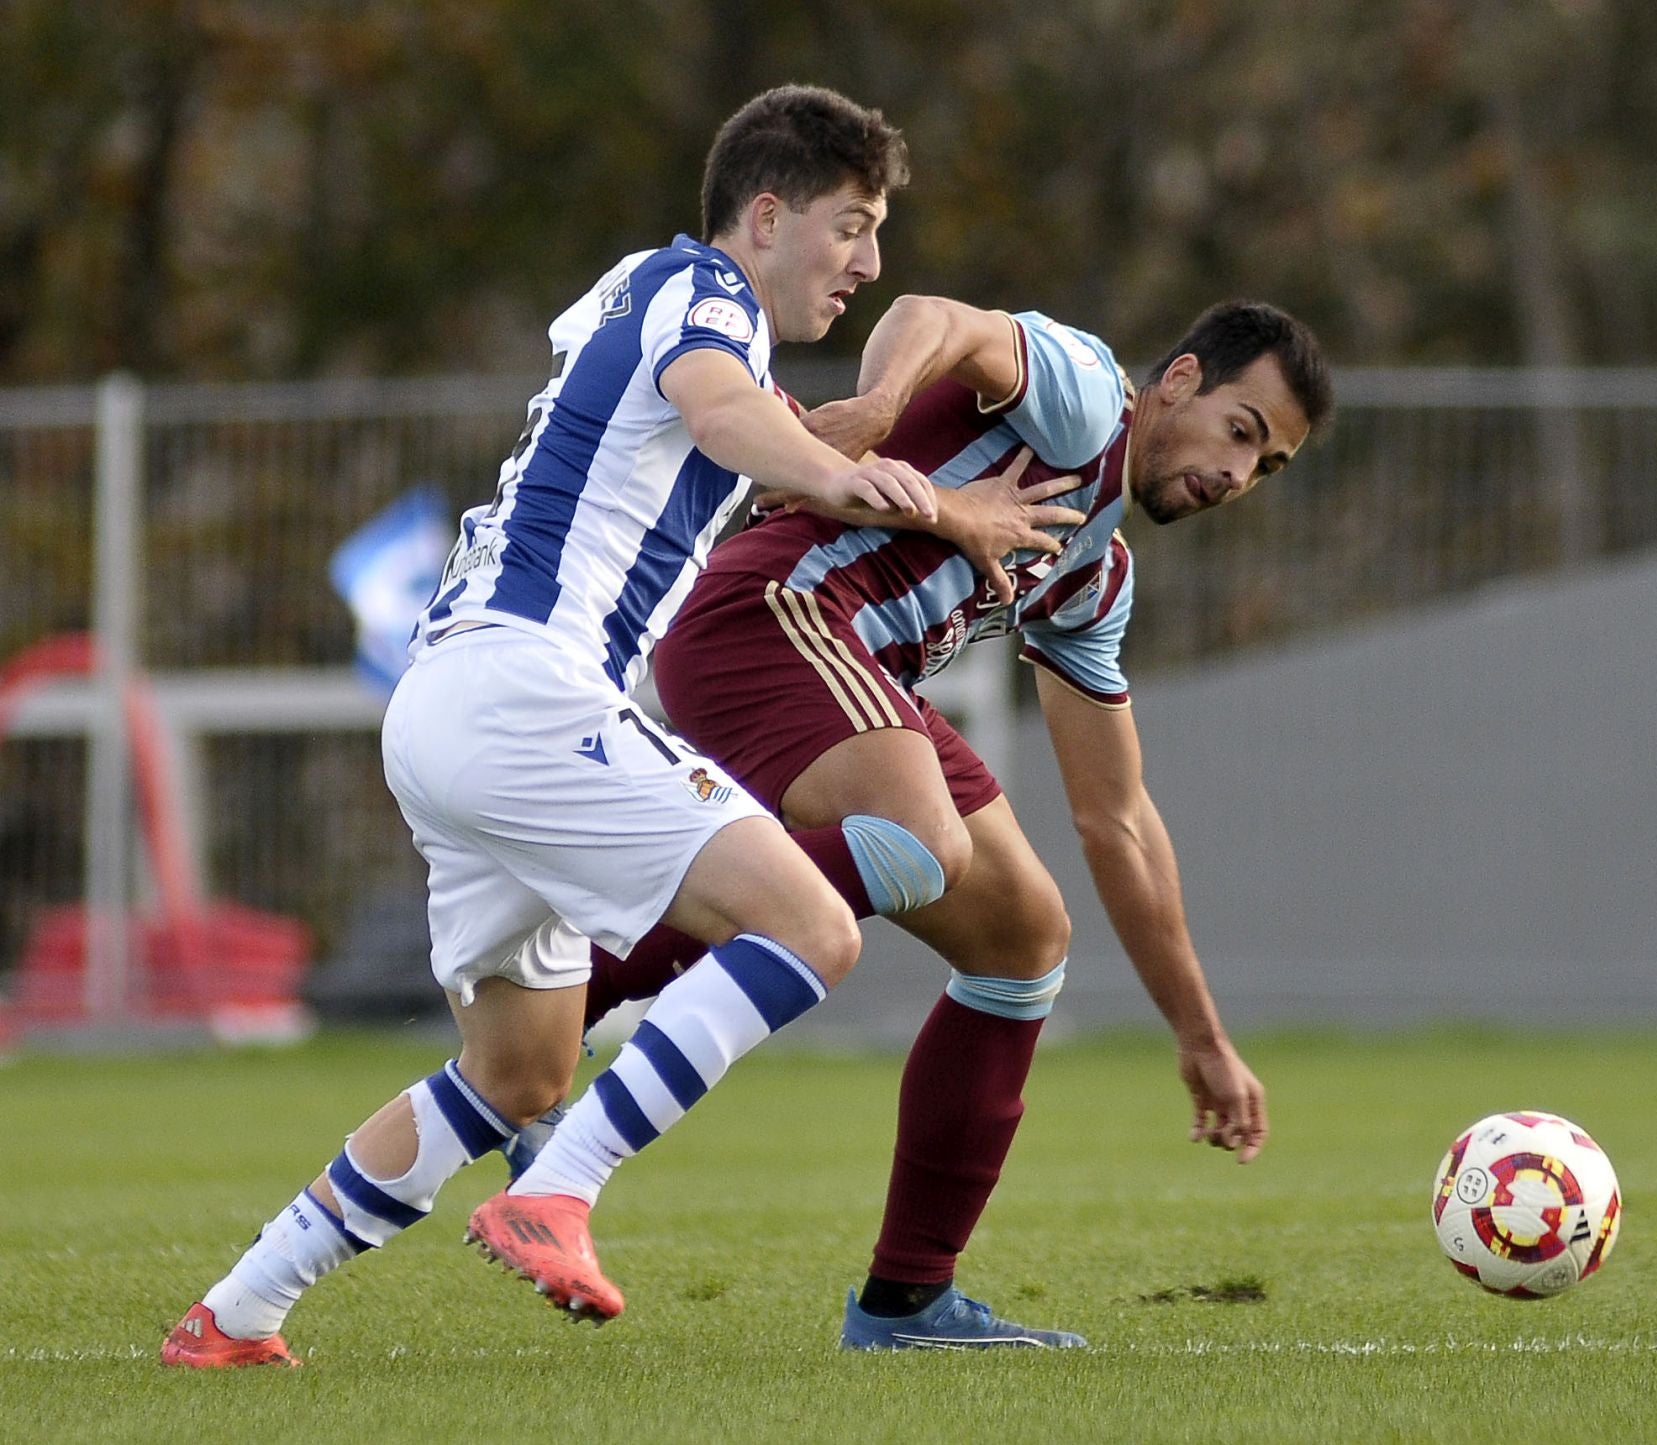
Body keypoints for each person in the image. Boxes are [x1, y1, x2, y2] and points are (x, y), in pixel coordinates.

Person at [161, 85, 1069, 1369]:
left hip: (453, 710)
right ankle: (560, 1190)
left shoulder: (657, 301)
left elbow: (737, 425)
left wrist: (881, 473)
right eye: (852, 226)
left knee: (519, 1070)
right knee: (809, 923)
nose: (869, 262)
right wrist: (929, 501)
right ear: (767, 215)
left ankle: (238, 1310)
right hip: (527, 689)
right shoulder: (702, 295)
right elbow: (726, 414)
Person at [578, 293, 1335, 1348]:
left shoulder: (1091, 575)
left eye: (1269, 466)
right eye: (1242, 431)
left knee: (1025, 937)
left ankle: (908, 1301)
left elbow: (1116, 817)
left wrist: (1200, 1036)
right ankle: (574, 977)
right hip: (772, 613)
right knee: (924, 838)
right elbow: (938, 313)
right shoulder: (1084, 407)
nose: (1238, 474)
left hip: (855, 667)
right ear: (1179, 382)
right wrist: (880, 406)